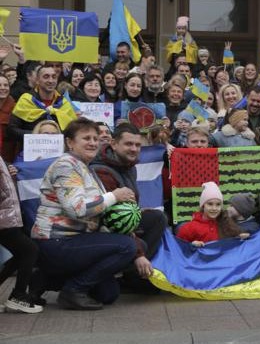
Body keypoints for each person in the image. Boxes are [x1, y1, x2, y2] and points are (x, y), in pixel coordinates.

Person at [31, 119, 138, 310]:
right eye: (86, 138)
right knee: (127, 247)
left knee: (108, 294)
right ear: (70, 142)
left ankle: (47, 278)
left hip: (75, 239)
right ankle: (73, 290)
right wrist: (114, 196)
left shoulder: (84, 166)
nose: (93, 143)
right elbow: (77, 209)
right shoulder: (66, 165)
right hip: (56, 241)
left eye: (96, 138)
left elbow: (95, 211)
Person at [89, 123, 168, 286]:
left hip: (117, 224)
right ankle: (134, 273)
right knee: (142, 245)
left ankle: (135, 275)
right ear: (113, 144)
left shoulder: (129, 166)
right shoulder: (102, 170)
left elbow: (126, 209)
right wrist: (139, 253)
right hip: (100, 229)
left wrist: (138, 211)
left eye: (138, 145)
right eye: (128, 144)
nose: (134, 149)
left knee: (157, 218)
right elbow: (112, 220)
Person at [0, 155, 41, 313]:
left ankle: (18, 295)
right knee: (30, 250)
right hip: (5, 217)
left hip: (7, 216)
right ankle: (18, 296)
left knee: (22, 254)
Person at [176, 182, 248, 246]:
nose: (214, 208)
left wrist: (240, 238)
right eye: (210, 204)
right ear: (203, 205)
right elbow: (178, 251)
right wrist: (191, 246)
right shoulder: (188, 228)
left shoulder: (227, 223)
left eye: (218, 204)